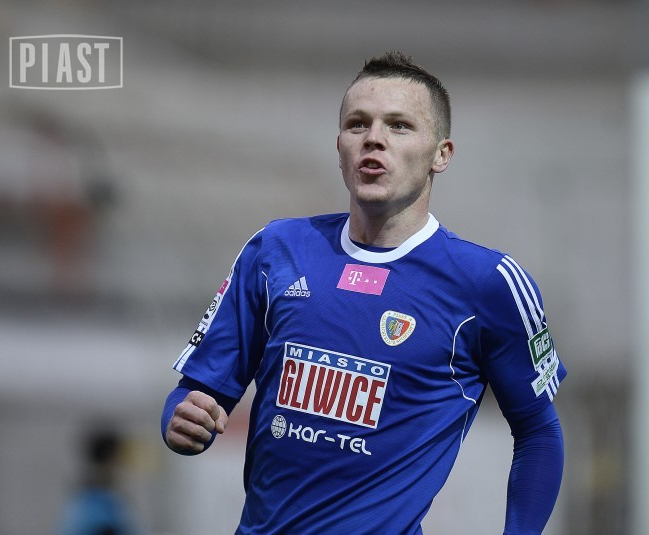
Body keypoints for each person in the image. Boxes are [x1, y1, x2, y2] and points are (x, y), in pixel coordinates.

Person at [161, 51, 566, 535]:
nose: (374, 138)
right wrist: (181, 420)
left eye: (399, 126)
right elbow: (197, 393)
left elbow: (539, 431)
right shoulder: (275, 250)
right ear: (339, 147)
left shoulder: (488, 282)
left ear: (441, 154)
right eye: (357, 124)